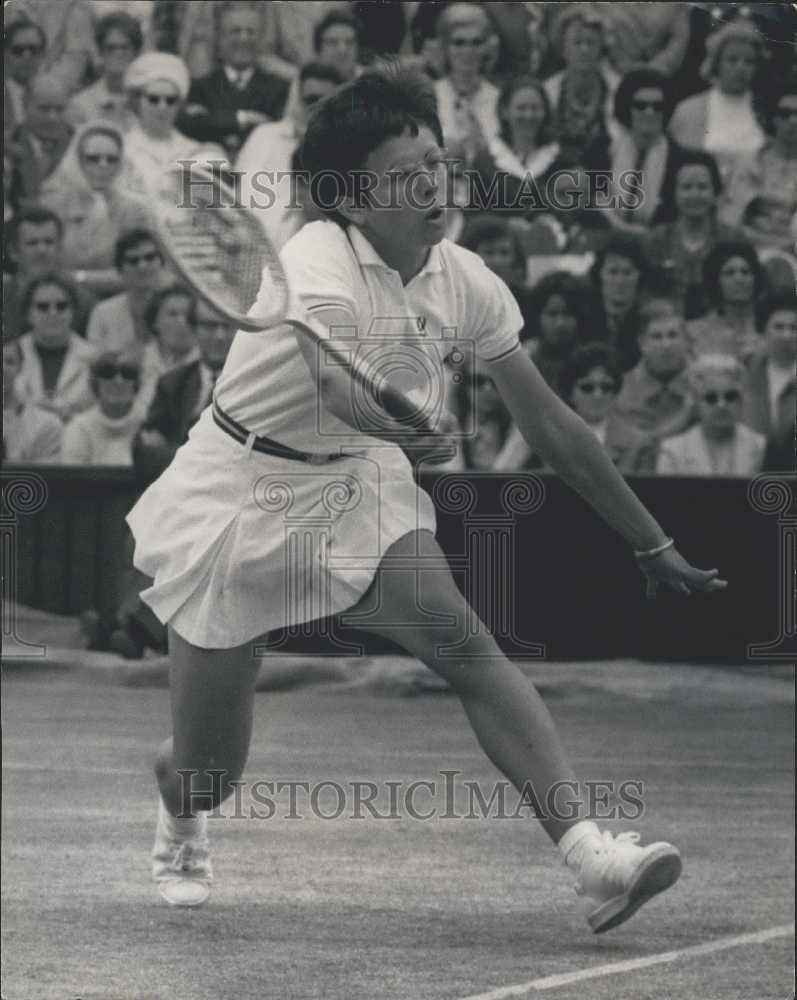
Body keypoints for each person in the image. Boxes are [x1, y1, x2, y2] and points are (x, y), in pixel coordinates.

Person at [127, 70, 725, 924]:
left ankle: (589, 854)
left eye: (436, 165)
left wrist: (650, 541)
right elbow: (340, 396)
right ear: (352, 200)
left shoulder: (464, 278)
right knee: (209, 769)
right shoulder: (311, 259)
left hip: (352, 482)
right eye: (405, 176)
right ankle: (181, 800)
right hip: (241, 488)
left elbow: (553, 426)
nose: (432, 188)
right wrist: (407, 424)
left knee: (464, 643)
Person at [235, 61, 344, 248]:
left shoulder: (345, 150)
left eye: (328, 102)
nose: (319, 108)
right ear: (297, 99)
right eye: (312, 99)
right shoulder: (265, 136)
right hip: (255, 250)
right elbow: (241, 202)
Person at [178, 2, 290, 159]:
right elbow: (192, 126)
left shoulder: (280, 88)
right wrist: (241, 118)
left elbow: (278, 131)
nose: (243, 39)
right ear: (220, 39)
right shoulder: (200, 87)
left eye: (250, 32)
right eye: (235, 31)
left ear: (261, 40)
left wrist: (214, 120)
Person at [39, 120, 149, 271]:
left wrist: (80, 279)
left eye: (112, 159)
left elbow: (140, 269)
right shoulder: (51, 205)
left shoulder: (135, 210)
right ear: (78, 160)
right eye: (93, 158)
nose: (103, 165)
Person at [645, 150, 741, 319]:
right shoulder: (656, 239)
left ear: (715, 192)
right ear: (673, 193)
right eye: (686, 187)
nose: (694, 195)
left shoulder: (732, 239)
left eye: (702, 187)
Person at [668, 19, 766, 183]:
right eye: (732, 60)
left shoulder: (767, 110)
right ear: (716, 63)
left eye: (749, 61)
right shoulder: (687, 111)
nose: (741, 68)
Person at [121, 52, 228, 199]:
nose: (162, 107)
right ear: (138, 101)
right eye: (154, 99)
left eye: (170, 100)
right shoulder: (123, 149)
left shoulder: (195, 150)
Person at [468, 75, 563, 217]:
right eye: (521, 108)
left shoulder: (560, 160)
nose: (529, 115)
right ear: (505, 112)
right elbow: (476, 217)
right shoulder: (485, 163)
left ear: (545, 112)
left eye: (535, 108)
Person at [656, 354, 765, 476]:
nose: (722, 405)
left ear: (741, 400)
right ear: (695, 402)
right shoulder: (673, 451)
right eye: (711, 398)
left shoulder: (760, 448)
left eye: (730, 396)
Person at [606, 69, 687, 232]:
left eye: (658, 106)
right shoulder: (603, 150)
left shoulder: (681, 160)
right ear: (627, 107)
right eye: (640, 105)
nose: (649, 112)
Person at [720, 80, 797, 249]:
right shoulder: (749, 162)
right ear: (773, 118)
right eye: (785, 114)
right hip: (751, 248)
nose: (793, 121)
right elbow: (730, 219)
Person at [3, 207, 97, 339]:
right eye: (32, 243)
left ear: (60, 248)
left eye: (49, 242)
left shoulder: (83, 302)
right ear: (14, 252)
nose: (42, 250)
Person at [543, 5, 618, 171]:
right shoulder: (547, 92)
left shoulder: (618, 90)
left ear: (601, 49)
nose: (584, 50)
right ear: (563, 49)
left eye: (591, 43)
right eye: (577, 42)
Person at [15, 272, 95, 424]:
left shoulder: (95, 359)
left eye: (62, 306)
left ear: (73, 311)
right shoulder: (8, 357)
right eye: (42, 307)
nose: (53, 313)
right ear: (28, 314)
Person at [614, 301, 695, 440]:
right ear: (642, 343)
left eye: (673, 335)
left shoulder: (706, 381)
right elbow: (638, 445)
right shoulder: (623, 390)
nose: (666, 345)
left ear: (687, 341)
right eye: (657, 337)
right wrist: (688, 412)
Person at [433, 4, 500, 168]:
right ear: (446, 48)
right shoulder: (429, 95)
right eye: (459, 42)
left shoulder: (499, 99)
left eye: (476, 43)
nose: (468, 50)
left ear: (486, 49)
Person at [86, 229, 167, 358]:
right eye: (133, 261)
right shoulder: (103, 313)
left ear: (162, 263)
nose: (142, 266)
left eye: (150, 257)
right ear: (120, 270)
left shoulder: (180, 308)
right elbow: (95, 362)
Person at [686, 240, 767, 363]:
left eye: (746, 272)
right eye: (729, 273)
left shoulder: (773, 327)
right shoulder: (693, 332)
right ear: (715, 282)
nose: (739, 279)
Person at [742, 291, 797, 472]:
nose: (787, 335)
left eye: (794, 328)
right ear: (763, 331)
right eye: (778, 327)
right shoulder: (745, 373)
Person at [59, 351, 143, 465]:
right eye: (107, 373)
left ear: (136, 383)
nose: (118, 381)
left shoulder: (149, 424)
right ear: (95, 382)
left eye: (128, 374)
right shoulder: (79, 427)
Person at [65, 11, 142, 130]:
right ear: (100, 52)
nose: (118, 54)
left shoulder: (150, 100)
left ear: (135, 53)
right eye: (111, 48)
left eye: (124, 48)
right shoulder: (80, 105)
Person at [6, 73, 74, 203]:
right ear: (25, 106)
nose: (53, 117)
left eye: (60, 109)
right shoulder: (7, 145)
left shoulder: (80, 144)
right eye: (44, 109)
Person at [589, 233, 650, 374]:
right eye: (613, 272)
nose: (620, 281)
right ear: (600, 274)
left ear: (639, 276)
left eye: (627, 272)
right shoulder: (585, 319)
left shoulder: (648, 321)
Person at [2, 337, 63, 463]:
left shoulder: (47, 425)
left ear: (20, 368)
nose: (3, 368)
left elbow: (42, 479)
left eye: (9, 362)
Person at [4, 18, 47, 143]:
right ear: (5, 53)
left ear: (42, 54)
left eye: (33, 50)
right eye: (18, 50)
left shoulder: (54, 96)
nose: (27, 56)